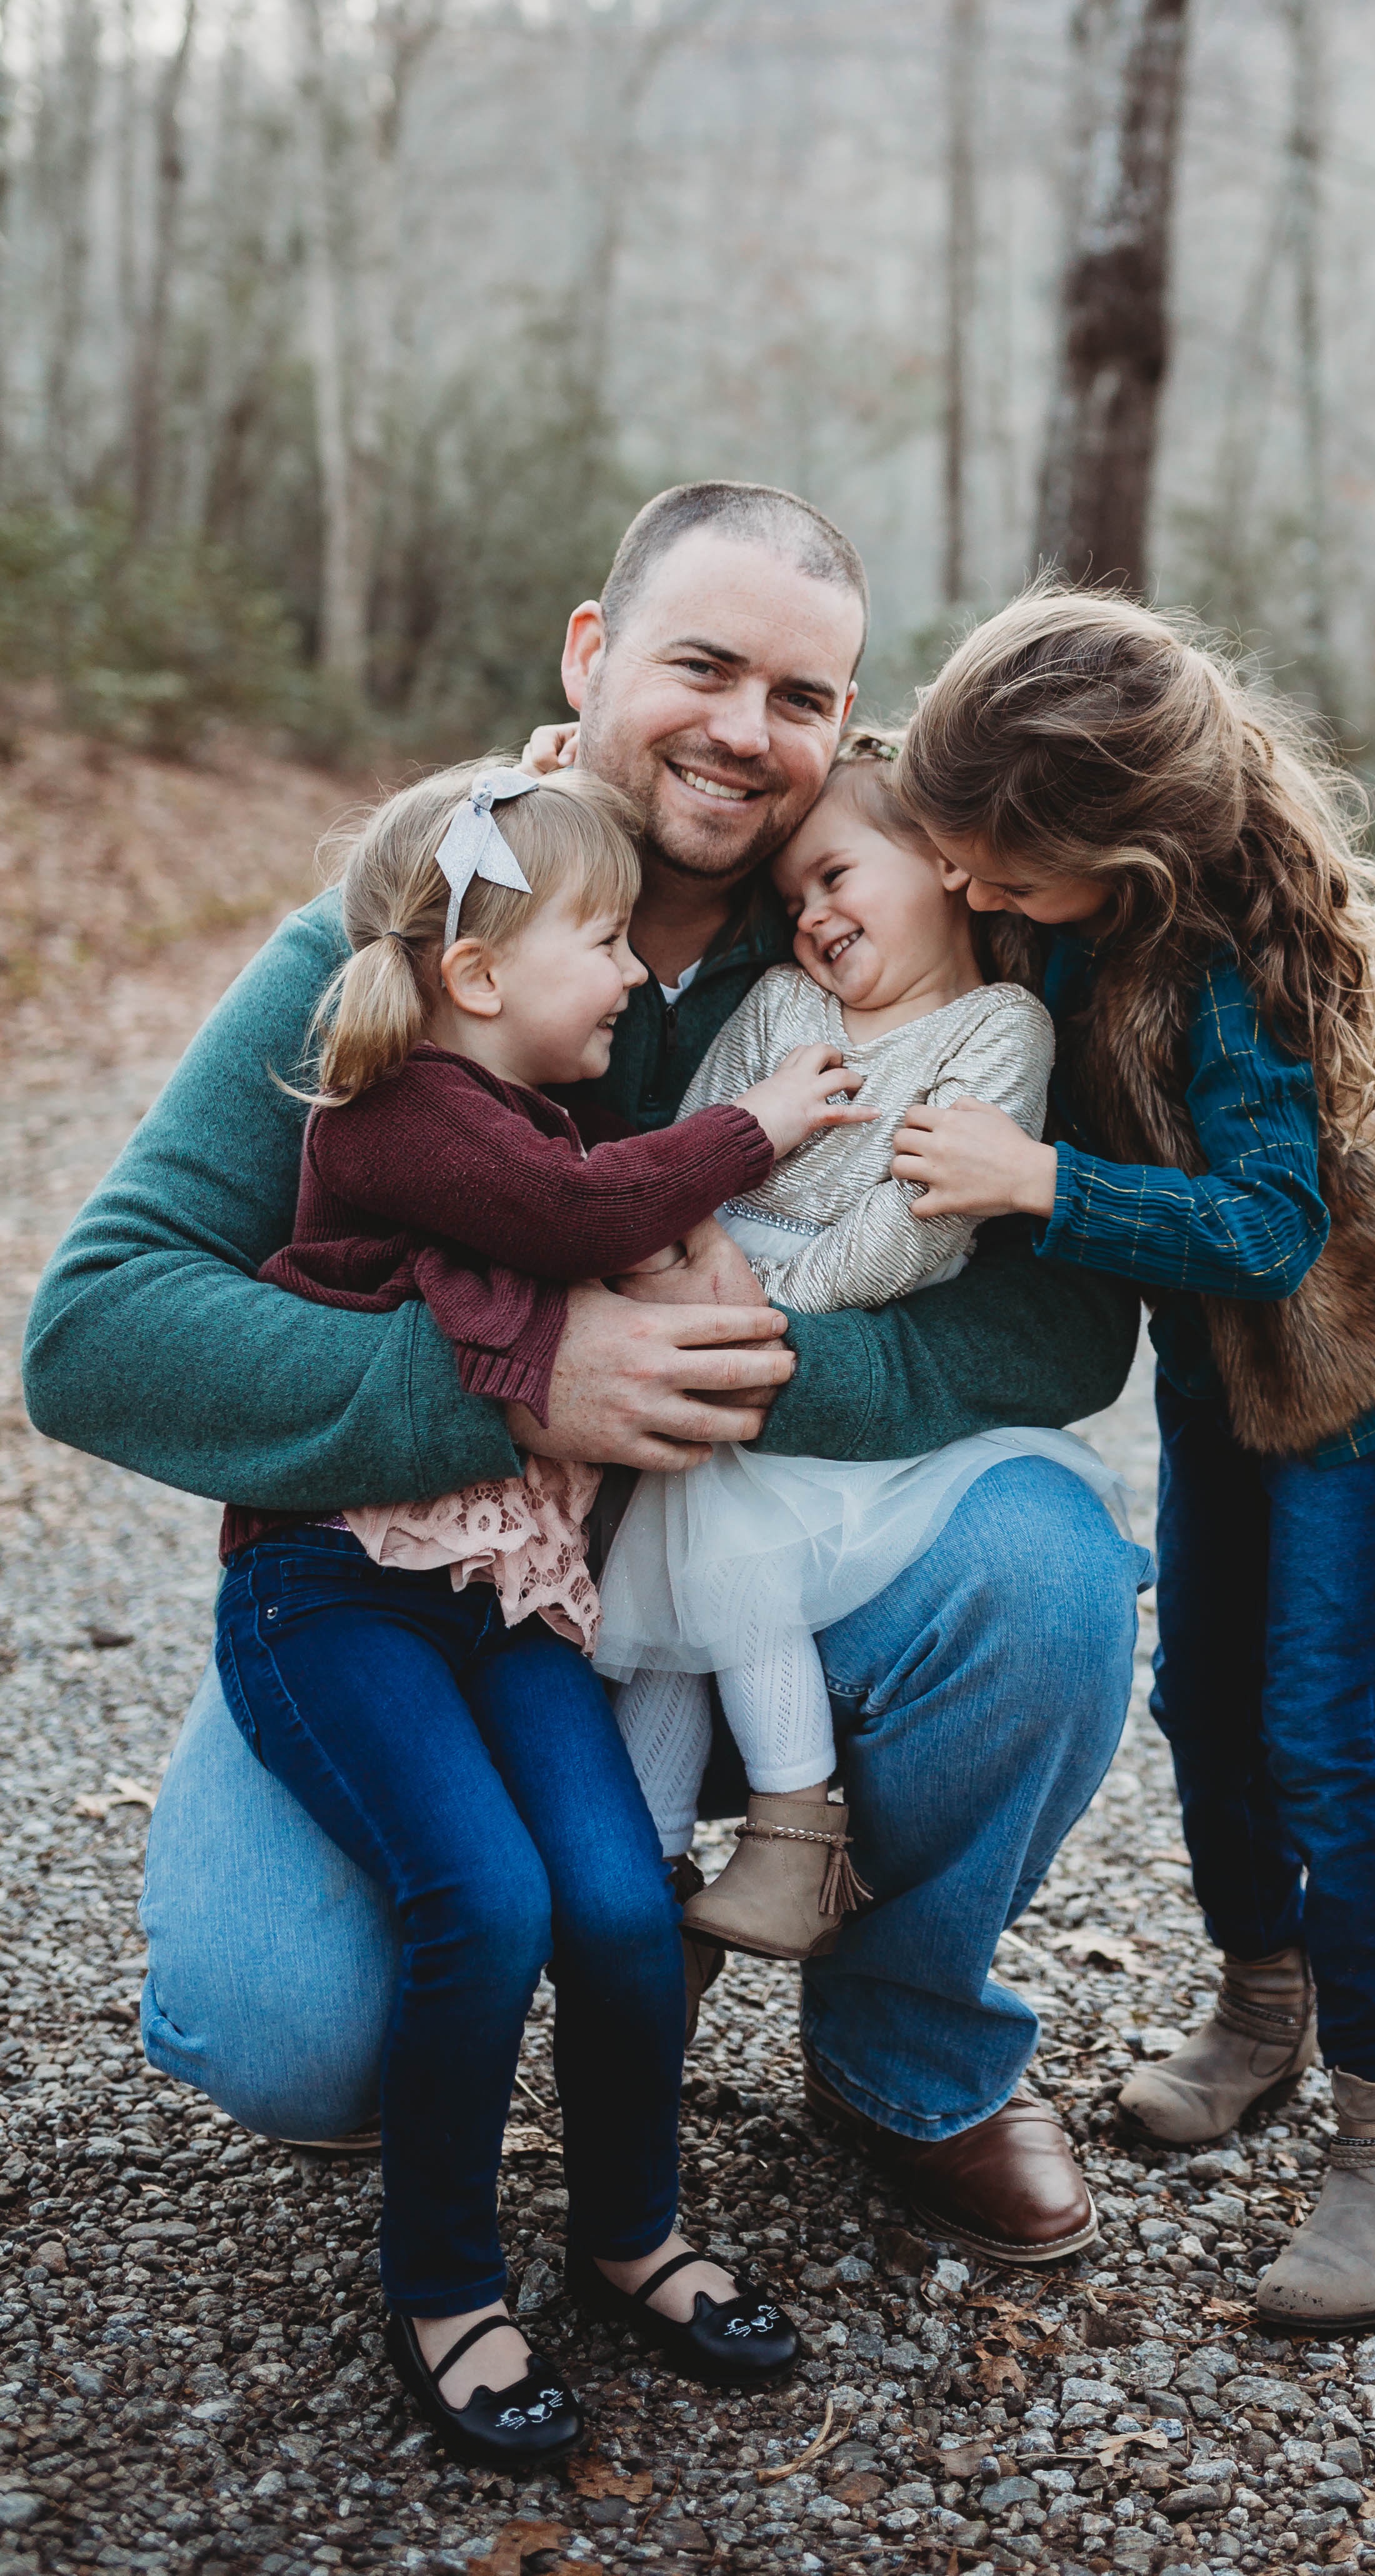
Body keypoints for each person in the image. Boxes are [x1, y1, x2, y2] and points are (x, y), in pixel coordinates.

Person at [22, 484, 1148, 2269]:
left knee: (1053, 1579)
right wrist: (516, 1378)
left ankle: (905, 2048)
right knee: (286, 2042)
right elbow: (96, 1328)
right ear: (588, 653)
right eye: (700, 666)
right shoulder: (422, 922)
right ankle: (524, 1914)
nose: (742, 733)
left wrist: (750, 1369)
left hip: (764, 1550)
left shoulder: (882, 925)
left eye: (801, 699)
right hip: (443, 1588)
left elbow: (1069, 1325)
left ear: (849, 732)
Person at [209, 756, 886, 2460]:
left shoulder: (531, 1121)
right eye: (597, 938)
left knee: (610, 1892)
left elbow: (609, 1221)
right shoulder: (402, 1117)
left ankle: (629, 2230)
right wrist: (764, 1125)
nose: (625, 972)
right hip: (340, 1589)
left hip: (508, 1598)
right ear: (482, 974)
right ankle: (444, 2284)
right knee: (484, 1897)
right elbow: (586, 1214)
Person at [888, 584, 1375, 2332]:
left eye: (1004, 872)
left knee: (1322, 1737)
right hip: (1217, 1379)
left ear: (1119, 847)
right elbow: (891, 833)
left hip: (1341, 1367)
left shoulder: (1220, 977)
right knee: (1199, 1700)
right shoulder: (1052, 896)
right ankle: (1260, 2005)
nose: (974, 895)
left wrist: (1041, 1184)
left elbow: (1265, 1229)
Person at [602, 734, 1132, 1962]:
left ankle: (792, 1834)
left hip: (794, 1332)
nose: (813, 918)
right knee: (669, 1617)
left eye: (836, 877)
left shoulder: (999, 1031)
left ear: (947, 863)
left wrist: (758, 1313)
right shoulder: (790, 1008)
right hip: (700, 1278)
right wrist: (678, 1258)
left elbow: (918, 1240)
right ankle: (645, 1899)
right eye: (793, 902)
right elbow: (703, 1139)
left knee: (727, 1570)